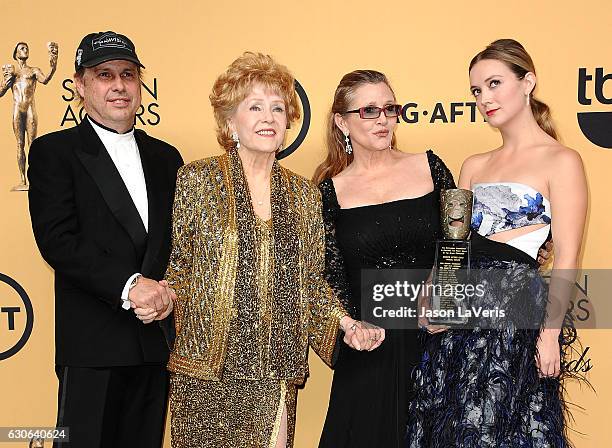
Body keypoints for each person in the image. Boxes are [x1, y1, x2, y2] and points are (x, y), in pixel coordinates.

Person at [163, 52, 377, 448]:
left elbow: (311, 283)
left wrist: (346, 324)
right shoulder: (196, 179)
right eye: (255, 107)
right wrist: (161, 295)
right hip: (205, 369)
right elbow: (180, 268)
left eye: (278, 108)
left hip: (273, 370)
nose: (268, 117)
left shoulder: (304, 195)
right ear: (231, 121)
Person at [407, 39, 587, 447]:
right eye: (476, 91)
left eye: (493, 84)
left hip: (511, 324)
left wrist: (549, 335)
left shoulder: (562, 161)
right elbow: (454, 246)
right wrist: (434, 300)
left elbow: (569, 256)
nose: (484, 99)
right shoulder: (474, 164)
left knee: (499, 429)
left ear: (528, 83)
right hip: (457, 326)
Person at [27, 31, 183, 447]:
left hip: (156, 344)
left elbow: (180, 244)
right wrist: (132, 287)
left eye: (128, 75)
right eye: (104, 74)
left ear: (139, 84)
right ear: (79, 85)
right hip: (92, 347)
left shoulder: (168, 158)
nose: (118, 85)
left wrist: (168, 293)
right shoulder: (52, 152)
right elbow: (58, 240)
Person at [313, 70, 456, 448]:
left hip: (436, 339)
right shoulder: (328, 193)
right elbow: (327, 279)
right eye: (369, 110)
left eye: (390, 108)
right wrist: (348, 328)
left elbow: (459, 246)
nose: (383, 119)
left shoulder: (430, 167)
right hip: (371, 349)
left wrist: (447, 298)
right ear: (341, 121)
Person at [1, 41, 58, 190]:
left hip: (30, 109)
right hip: (17, 110)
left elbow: (45, 80)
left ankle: (35, 179)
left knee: (33, 145)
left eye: (26, 48)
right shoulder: (12, 73)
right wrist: (4, 82)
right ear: (16, 54)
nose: (25, 50)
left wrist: (53, 65)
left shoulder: (33, 70)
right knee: (20, 144)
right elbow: (1, 92)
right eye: (22, 48)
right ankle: (22, 179)